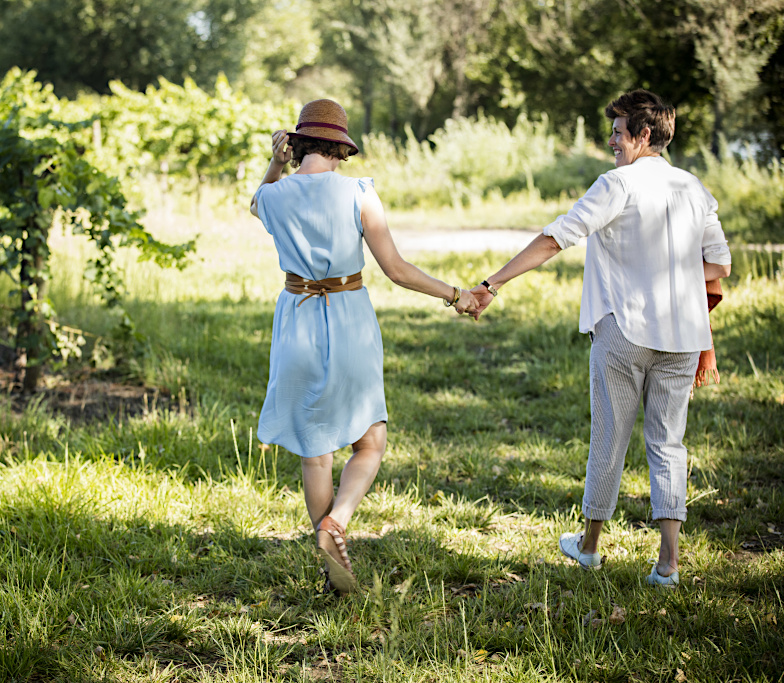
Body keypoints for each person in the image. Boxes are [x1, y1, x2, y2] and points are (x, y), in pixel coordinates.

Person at [468, 89, 731, 587]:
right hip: (683, 336)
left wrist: (491, 283)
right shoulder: (694, 188)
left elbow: (557, 237)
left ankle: (589, 548)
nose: (611, 139)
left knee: (609, 437)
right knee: (668, 442)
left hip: (625, 330)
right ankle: (668, 565)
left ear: (644, 134)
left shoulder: (617, 183)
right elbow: (718, 265)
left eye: (617, 130)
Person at [250, 99, 478, 594]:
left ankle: (326, 555)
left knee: (315, 452)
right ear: (339, 145)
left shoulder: (276, 195)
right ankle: (339, 521)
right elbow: (396, 269)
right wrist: (456, 296)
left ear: (298, 141)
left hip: (296, 319)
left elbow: (257, 202)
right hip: (349, 316)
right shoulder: (358, 193)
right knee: (369, 440)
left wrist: (276, 164)